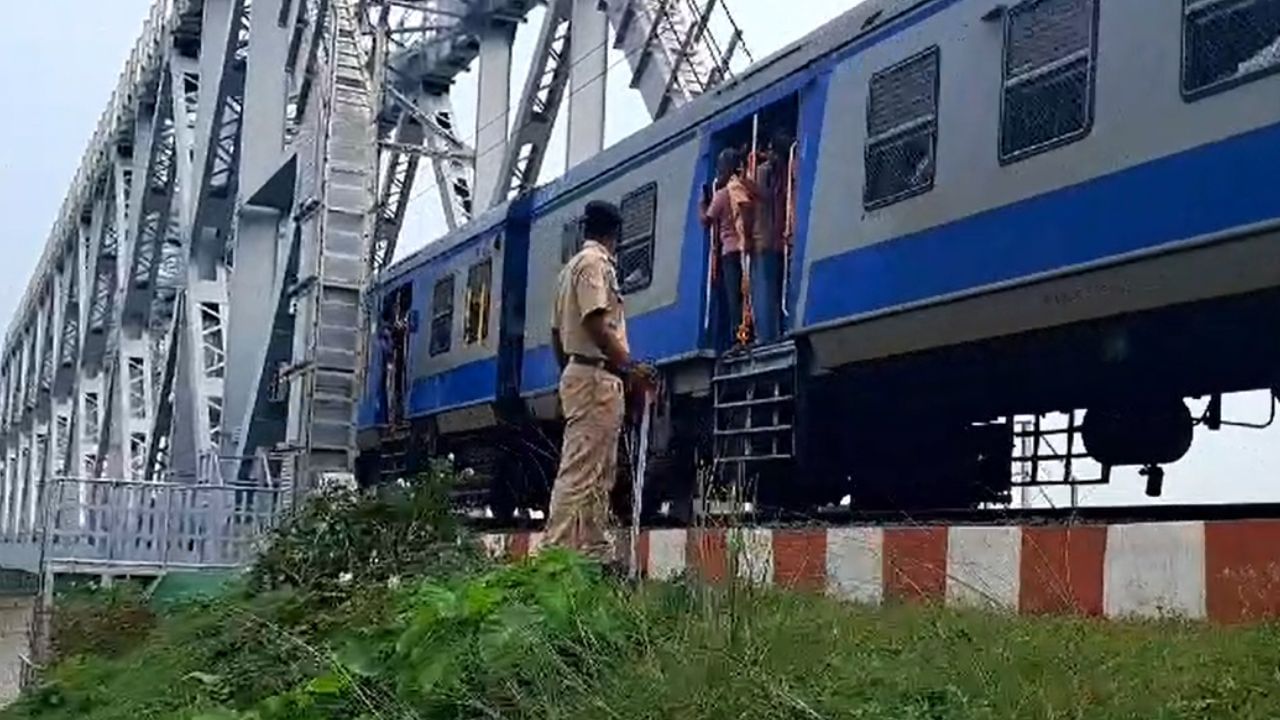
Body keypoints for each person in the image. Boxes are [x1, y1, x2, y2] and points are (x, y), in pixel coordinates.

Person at [546, 200, 655, 567]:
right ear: (615, 234)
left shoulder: (569, 270)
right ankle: (555, 558)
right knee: (581, 473)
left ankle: (593, 554)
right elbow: (596, 321)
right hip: (596, 376)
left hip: (583, 372)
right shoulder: (595, 265)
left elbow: (556, 333)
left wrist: (568, 373)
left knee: (598, 473)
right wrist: (629, 367)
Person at [700, 148, 757, 349]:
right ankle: (749, 332)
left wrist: (702, 203)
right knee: (746, 294)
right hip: (745, 248)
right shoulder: (742, 188)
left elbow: (706, 220)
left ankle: (739, 338)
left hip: (729, 252)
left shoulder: (722, 194)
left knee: (734, 298)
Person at [750, 134, 790, 344]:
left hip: (763, 236)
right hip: (779, 236)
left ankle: (765, 336)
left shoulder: (764, 171)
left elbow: (760, 197)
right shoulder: (786, 171)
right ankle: (776, 330)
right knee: (776, 286)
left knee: (762, 288)